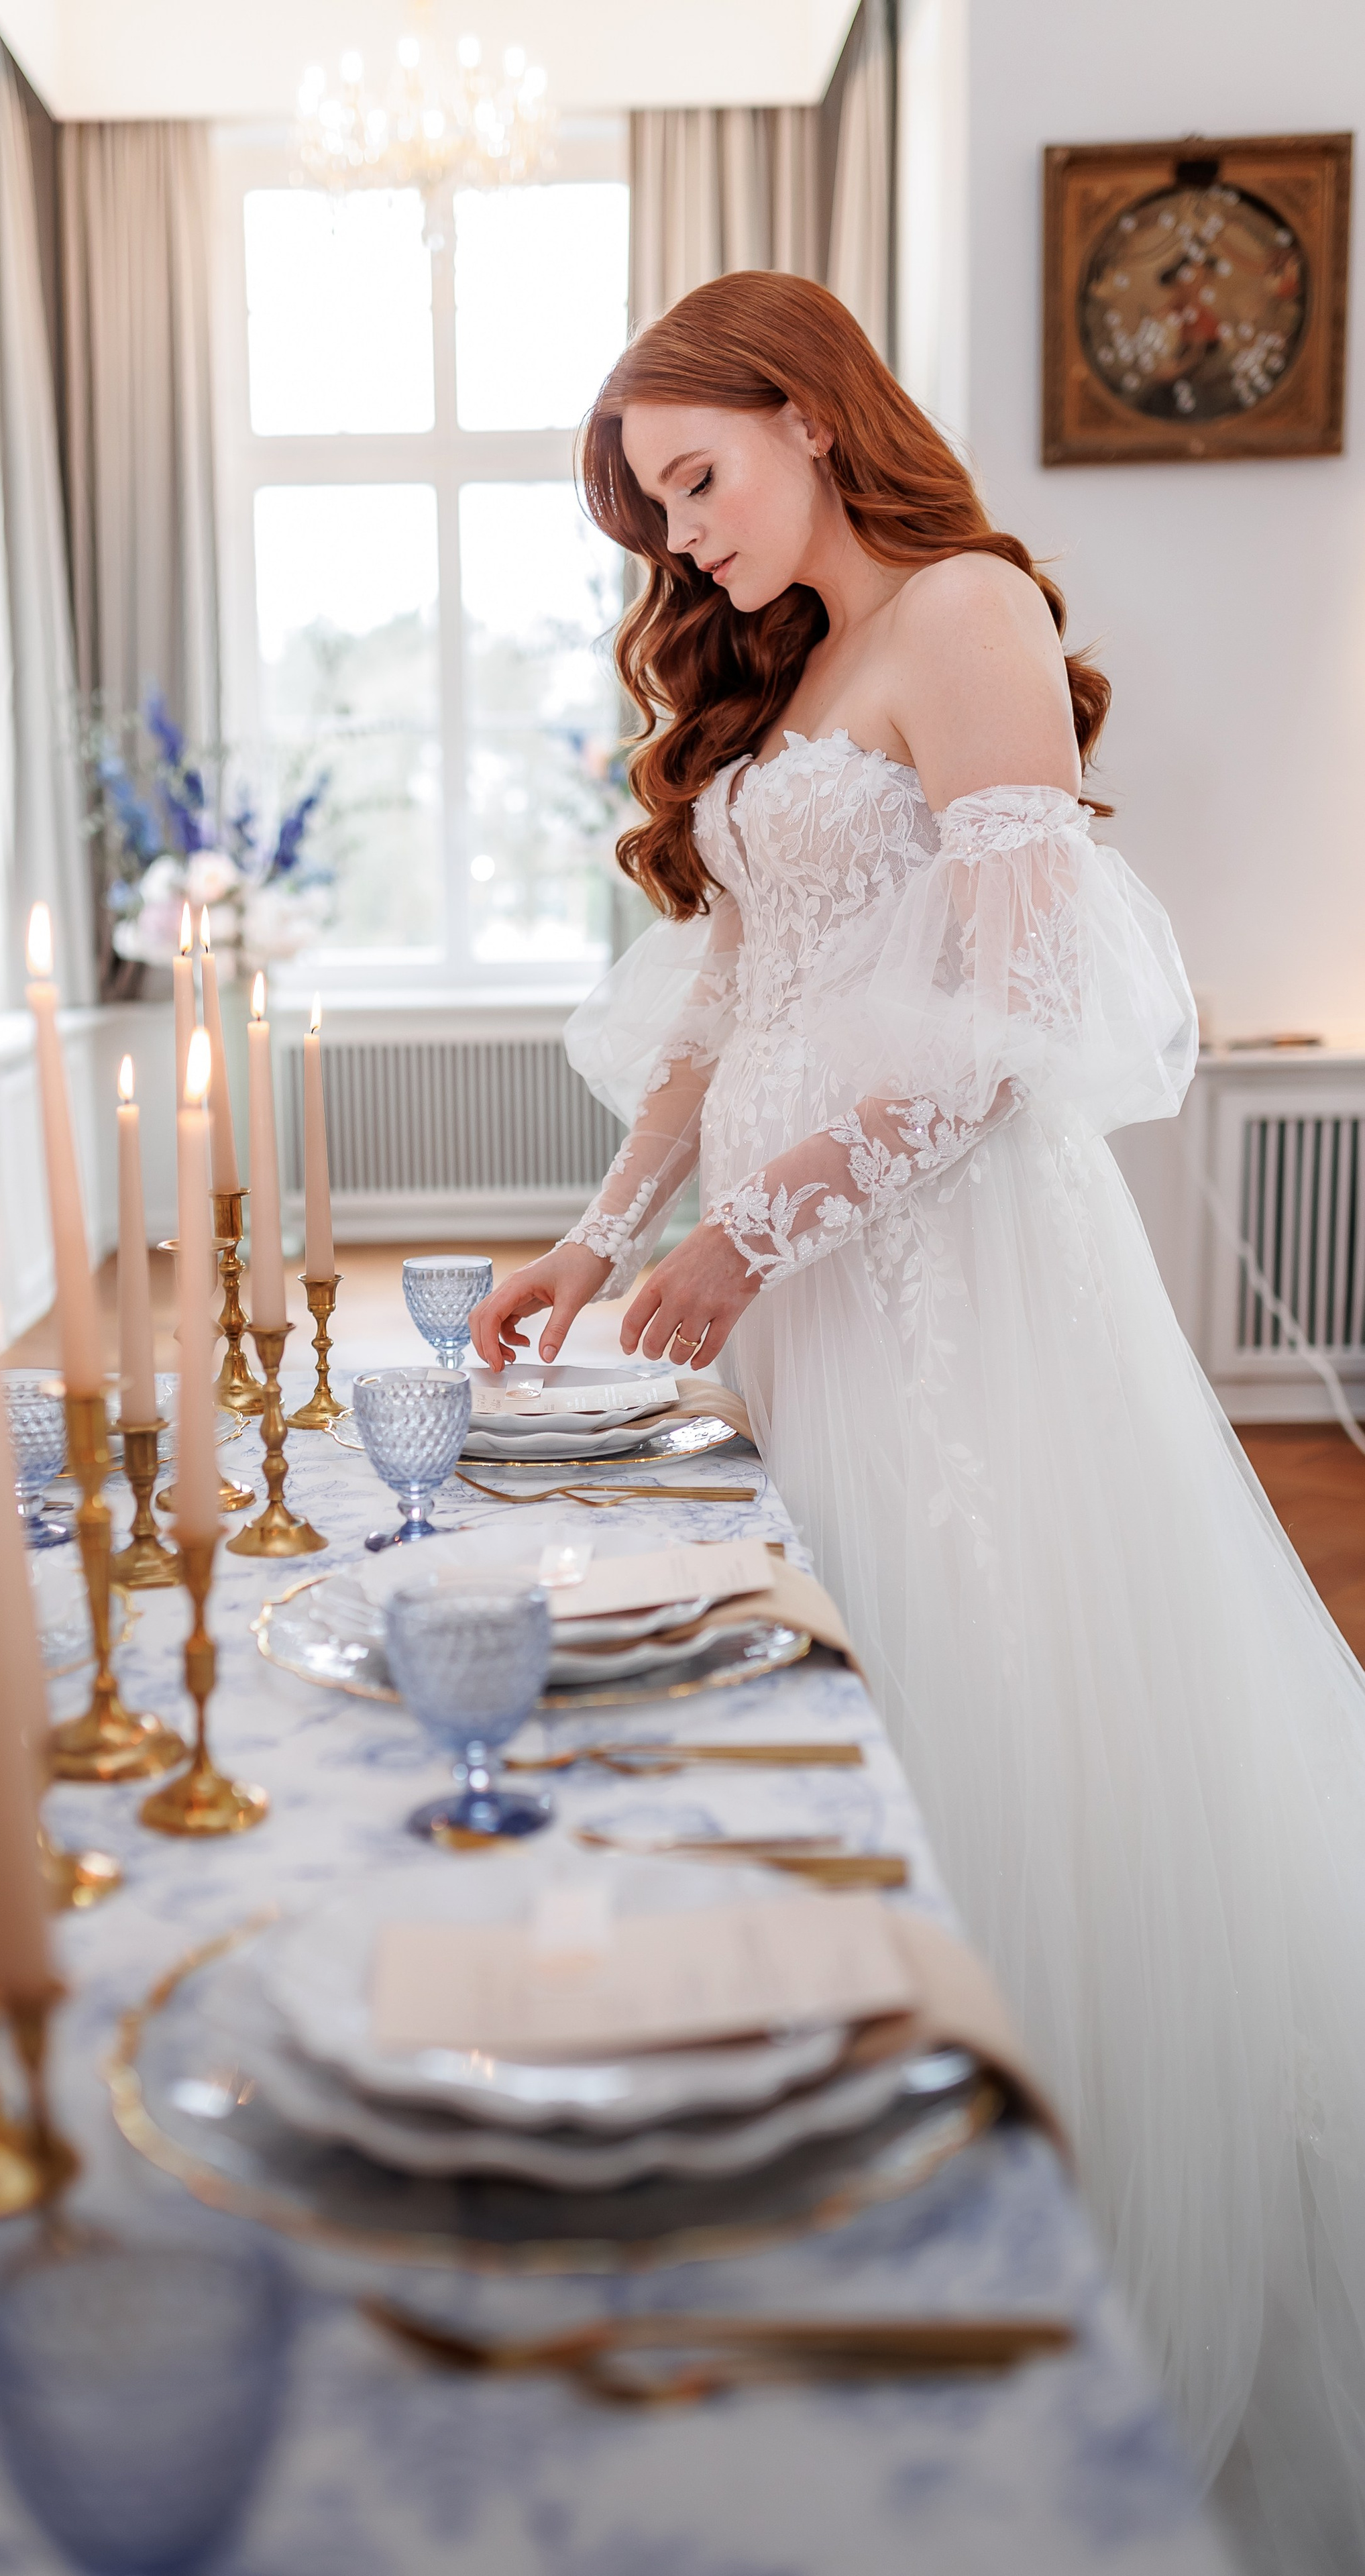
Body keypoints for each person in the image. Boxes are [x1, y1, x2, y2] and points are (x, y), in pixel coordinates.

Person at [471, 272, 1365, 2574]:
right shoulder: (781, 680)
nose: (681, 547)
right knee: (813, 1702)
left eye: (697, 479)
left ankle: (1015, 2276)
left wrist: (750, 1242)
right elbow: (736, 996)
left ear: (806, 409)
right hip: (785, 1279)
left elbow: (1014, 1015)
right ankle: (828, 2189)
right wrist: (597, 1235)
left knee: (983, 1708)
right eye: (653, 516)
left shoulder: (966, 609)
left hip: (942, 1280)